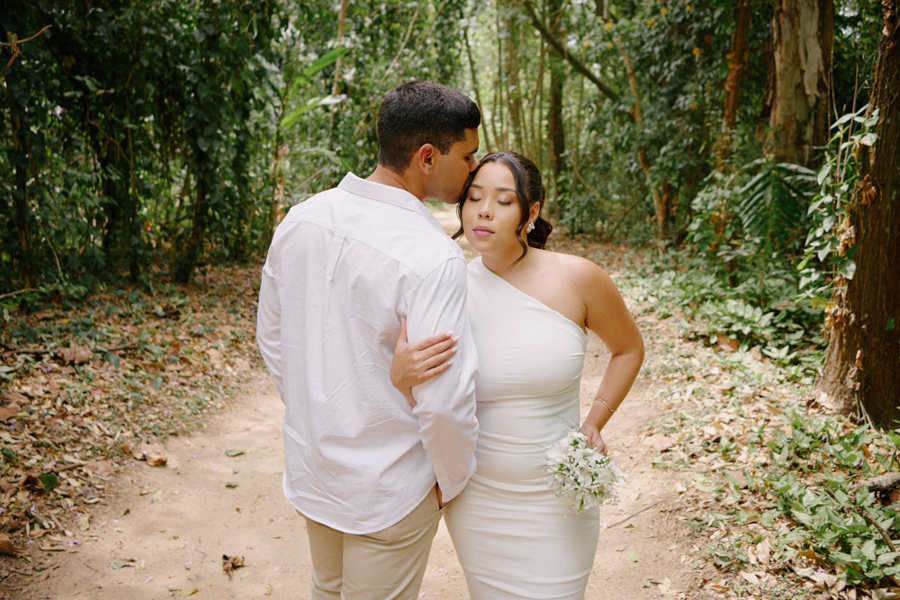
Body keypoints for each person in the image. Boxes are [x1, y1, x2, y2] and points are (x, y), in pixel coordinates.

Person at [256, 81, 482, 599]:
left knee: (327, 590)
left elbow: (272, 337)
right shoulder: (433, 256)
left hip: (317, 467)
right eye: (467, 155)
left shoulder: (301, 219)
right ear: (427, 156)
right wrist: (453, 476)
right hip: (390, 484)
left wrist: (319, 413)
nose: (473, 167)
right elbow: (443, 399)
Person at [392, 151, 645, 599]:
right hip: (479, 500)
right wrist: (399, 376)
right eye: (474, 197)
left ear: (531, 212)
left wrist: (594, 422)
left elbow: (628, 349)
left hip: (558, 501)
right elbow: (423, 390)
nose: (484, 210)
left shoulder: (578, 278)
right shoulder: (445, 287)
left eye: (503, 201)